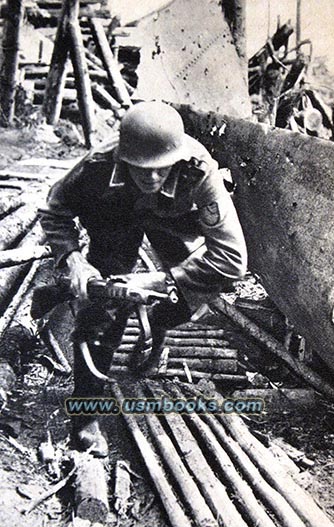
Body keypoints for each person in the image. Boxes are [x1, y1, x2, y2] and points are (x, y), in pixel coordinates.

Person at [39, 101, 247, 457]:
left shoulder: (198, 172)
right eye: (140, 168)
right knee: (102, 309)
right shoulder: (97, 165)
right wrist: (73, 261)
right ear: (123, 157)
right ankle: (85, 412)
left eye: (160, 168)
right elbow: (54, 210)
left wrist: (161, 281)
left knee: (184, 300)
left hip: (174, 221)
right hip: (116, 216)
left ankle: (157, 324)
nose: (151, 176)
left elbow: (232, 259)